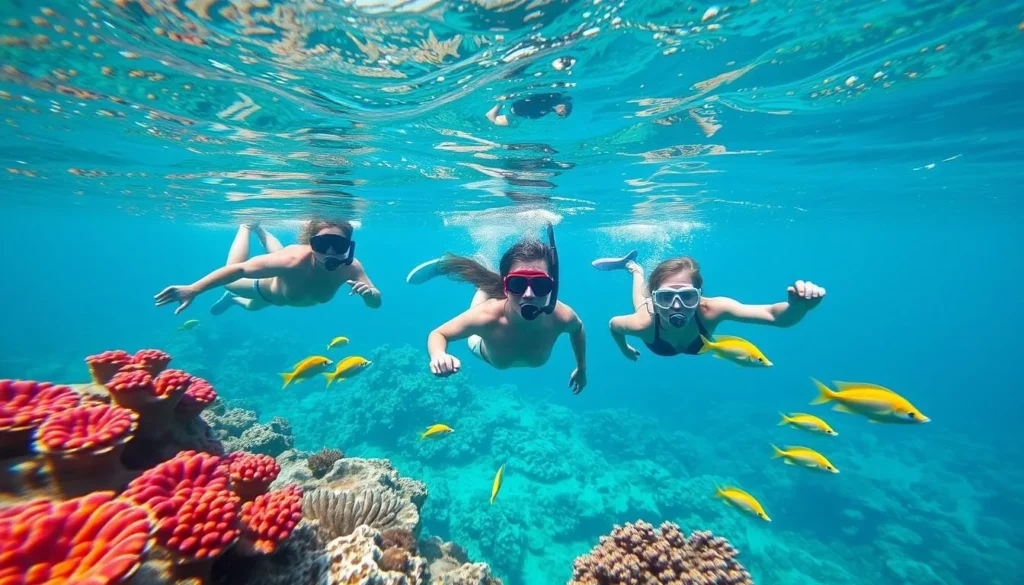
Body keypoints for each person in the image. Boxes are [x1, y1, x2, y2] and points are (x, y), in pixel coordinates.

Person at [406, 224, 587, 394]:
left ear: (552, 287)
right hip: (479, 343)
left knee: (491, 287)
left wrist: (581, 368)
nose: (529, 294)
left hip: (498, 348)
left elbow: (578, 329)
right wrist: (439, 355)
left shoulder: (561, 316)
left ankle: (492, 277)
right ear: (506, 287)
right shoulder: (486, 316)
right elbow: (438, 334)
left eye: (540, 284)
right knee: (484, 291)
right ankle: (475, 271)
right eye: (517, 283)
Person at [592, 252, 825, 360]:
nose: (676, 306)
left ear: (700, 296)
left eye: (687, 296)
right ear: (656, 300)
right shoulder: (644, 322)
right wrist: (625, 349)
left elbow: (774, 316)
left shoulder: (713, 309)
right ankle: (634, 269)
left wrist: (798, 307)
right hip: (650, 316)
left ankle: (642, 274)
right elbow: (613, 325)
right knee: (640, 301)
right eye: (665, 298)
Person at [154, 219, 381, 315]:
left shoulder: (351, 268)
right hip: (262, 289)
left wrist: (369, 295)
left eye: (338, 244)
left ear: (348, 247)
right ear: (311, 245)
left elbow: (375, 304)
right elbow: (240, 270)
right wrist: (195, 288)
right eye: (322, 244)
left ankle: (261, 233)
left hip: (279, 299)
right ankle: (247, 225)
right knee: (232, 280)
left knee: (252, 308)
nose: (330, 252)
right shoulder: (293, 260)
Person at [486, 92, 573, 127]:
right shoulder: (556, 98)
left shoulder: (548, 109)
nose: (561, 110)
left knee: (505, 122)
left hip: (519, 109)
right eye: (564, 109)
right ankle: (500, 104)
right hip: (520, 105)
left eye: (561, 113)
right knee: (502, 120)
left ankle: (499, 105)